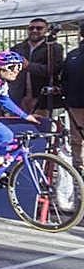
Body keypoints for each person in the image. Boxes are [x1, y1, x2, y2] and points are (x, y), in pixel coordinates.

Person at [0, 52, 41, 177]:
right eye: (12, 67)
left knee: (6, 137)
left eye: (18, 67)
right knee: (2, 137)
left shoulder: (2, 83)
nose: (16, 71)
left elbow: (4, 100)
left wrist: (25, 116)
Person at [9, 17, 64, 116]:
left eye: (39, 28)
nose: (34, 31)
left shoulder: (54, 47)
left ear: (46, 30)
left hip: (41, 98)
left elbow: (54, 70)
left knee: (39, 128)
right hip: (19, 97)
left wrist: (29, 65)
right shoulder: (18, 48)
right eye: (31, 28)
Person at [63, 27, 84, 170]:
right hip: (76, 102)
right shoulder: (73, 54)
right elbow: (65, 77)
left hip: (75, 100)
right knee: (76, 137)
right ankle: (79, 166)